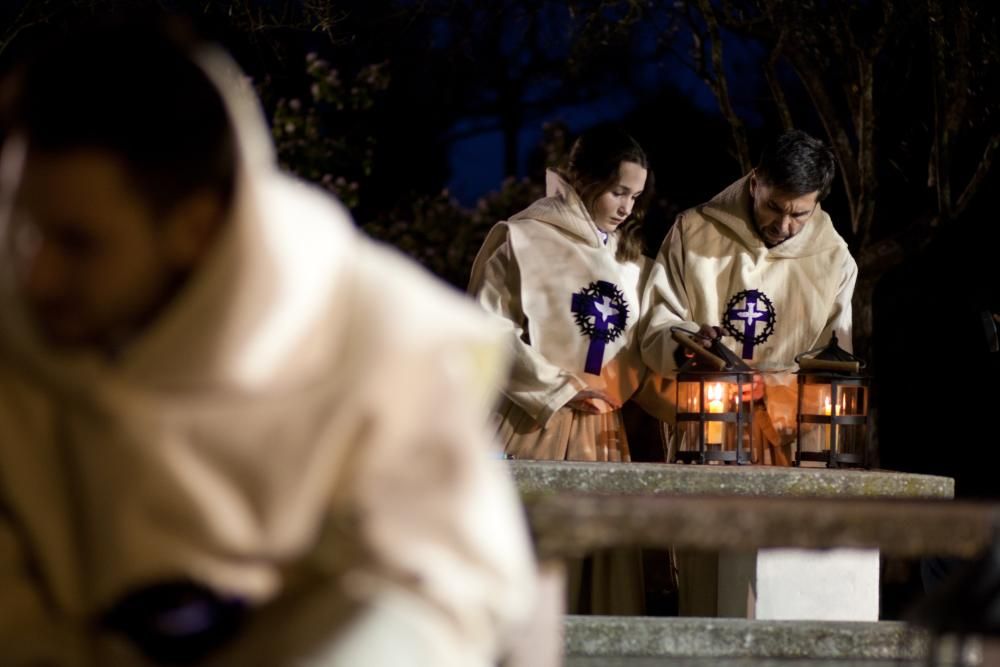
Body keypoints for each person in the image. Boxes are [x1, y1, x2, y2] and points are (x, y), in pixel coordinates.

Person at [0, 22, 534, 666]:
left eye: (78, 243)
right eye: (24, 231)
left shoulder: (378, 337)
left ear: (193, 228)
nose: (36, 277)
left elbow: (439, 588)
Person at [469, 126, 670, 614]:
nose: (626, 207)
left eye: (635, 197)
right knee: (525, 566)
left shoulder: (632, 264)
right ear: (585, 180)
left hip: (603, 434)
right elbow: (488, 329)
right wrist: (558, 388)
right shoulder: (522, 239)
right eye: (618, 191)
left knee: (600, 575)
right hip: (531, 422)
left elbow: (644, 349)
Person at [641, 129, 858, 461]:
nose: (783, 225)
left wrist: (771, 390)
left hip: (794, 445)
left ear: (817, 202)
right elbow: (656, 325)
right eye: (774, 207)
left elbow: (836, 365)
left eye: (799, 214)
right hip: (708, 429)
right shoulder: (693, 233)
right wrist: (688, 348)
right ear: (755, 183)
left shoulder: (835, 260)